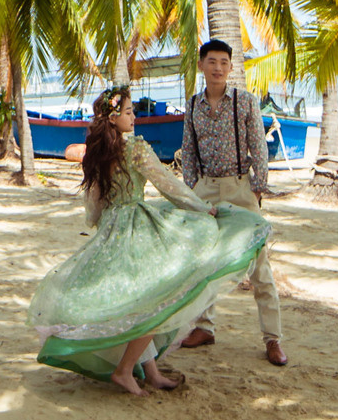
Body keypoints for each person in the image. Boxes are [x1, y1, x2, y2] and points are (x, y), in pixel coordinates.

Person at [29, 86, 271, 396]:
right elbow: (168, 184)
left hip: (112, 227)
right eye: (129, 112)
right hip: (137, 225)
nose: (134, 117)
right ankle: (125, 370)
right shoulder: (136, 149)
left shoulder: (97, 151)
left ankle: (151, 371)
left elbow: (93, 201)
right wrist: (201, 208)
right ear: (114, 118)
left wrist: (98, 224)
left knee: (139, 298)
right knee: (157, 299)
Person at [177, 38, 287, 366]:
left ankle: (273, 339)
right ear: (201, 65)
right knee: (202, 262)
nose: (218, 68)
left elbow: (259, 147)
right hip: (206, 188)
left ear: (231, 67)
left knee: (260, 266)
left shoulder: (245, 102)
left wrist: (256, 189)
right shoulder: (194, 104)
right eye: (212, 61)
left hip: (241, 188)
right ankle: (205, 327)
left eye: (224, 62)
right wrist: (193, 190)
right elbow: (189, 150)